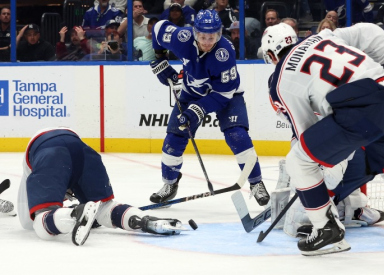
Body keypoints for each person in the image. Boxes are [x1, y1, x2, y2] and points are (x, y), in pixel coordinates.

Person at [261, 22, 384, 255]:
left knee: (298, 161)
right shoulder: (323, 36)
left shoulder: (279, 81)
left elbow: (305, 134)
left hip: (358, 111)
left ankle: (327, 232)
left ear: (272, 54)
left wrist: (311, 184)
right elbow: (374, 34)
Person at [149, 9, 270, 206]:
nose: (207, 41)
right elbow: (158, 29)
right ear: (195, 33)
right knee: (174, 137)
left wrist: (196, 111)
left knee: (237, 135)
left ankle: (256, 183)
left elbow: (222, 95)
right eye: (203, 37)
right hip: (191, 91)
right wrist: (160, 58)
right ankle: (169, 184)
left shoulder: (224, 53)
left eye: (211, 37)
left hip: (227, 94)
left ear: (219, 34)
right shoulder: (181, 38)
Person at [17, 127, 186, 246]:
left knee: (40, 224)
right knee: (105, 208)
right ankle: (144, 221)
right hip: (81, 149)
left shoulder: (33, 164)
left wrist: (52, 210)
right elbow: (99, 208)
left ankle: (75, 213)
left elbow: (26, 222)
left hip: (47, 150)